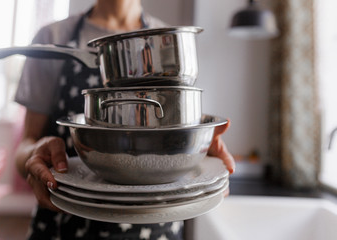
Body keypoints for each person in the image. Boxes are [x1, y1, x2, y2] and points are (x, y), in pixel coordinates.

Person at [14, 0, 235, 239]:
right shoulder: (53, 37)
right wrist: (33, 153)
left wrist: (195, 146)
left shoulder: (169, 39)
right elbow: (26, 145)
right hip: (64, 224)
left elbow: (179, 123)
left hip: (157, 228)